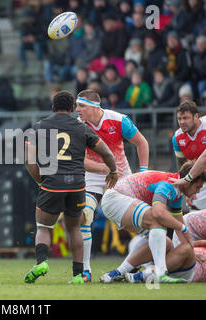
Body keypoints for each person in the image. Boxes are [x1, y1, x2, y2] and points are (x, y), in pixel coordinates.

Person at [24, 90, 118, 284]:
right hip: (77, 185)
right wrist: (113, 171)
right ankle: (77, 275)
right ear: (71, 108)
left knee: (43, 226)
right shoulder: (81, 127)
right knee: (74, 228)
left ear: (53, 108)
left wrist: (40, 180)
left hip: (52, 184)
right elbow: (107, 152)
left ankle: (42, 262)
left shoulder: (40, 127)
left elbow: (29, 159)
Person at [75, 89, 149, 280]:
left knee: (142, 221)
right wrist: (104, 169)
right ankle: (85, 270)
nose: (77, 109)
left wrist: (143, 173)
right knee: (85, 215)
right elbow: (80, 159)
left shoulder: (118, 120)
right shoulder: (77, 125)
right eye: (76, 105)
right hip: (93, 177)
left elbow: (141, 143)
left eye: (81, 105)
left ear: (94, 107)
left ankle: (145, 264)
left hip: (122, 176)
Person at [99, 162, 206, 283]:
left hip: (120, 202)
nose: (198, 192)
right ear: (187, 182)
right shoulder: (169, 184)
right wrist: (183, 228)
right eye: (197, 187)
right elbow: (158, 213)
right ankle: (160, 273)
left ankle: (116, 274)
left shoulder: (177, 194)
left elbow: (181, 232)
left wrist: (192, 251)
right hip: (115, 199)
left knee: (166, 243)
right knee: (157, 221)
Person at [124, 210, 206, 283]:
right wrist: (193, 250)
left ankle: (144, 274)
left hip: (190, 270)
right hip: (185, 256)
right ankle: (123, 270)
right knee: (166, 241)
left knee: (186, 248)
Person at [172, 101, 206, 209]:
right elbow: (183, 167)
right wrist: (188, 190)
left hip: (196, 176)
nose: (182, 122)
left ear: (196, 116)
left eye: (185, 118)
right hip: (199, 180)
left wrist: (187, 180)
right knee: (195, 215)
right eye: (179, 119)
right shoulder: (177, 138)